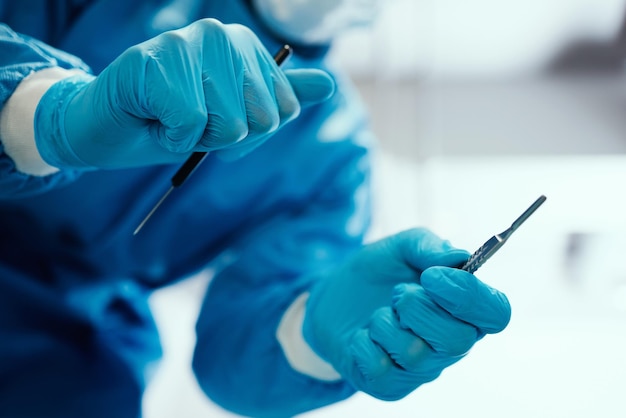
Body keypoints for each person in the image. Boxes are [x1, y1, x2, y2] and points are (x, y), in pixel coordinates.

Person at [0, 1, 511, 417]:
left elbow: (234, 360)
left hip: (60, 346)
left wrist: (308, 333)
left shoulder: (333, 157)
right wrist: (50, 116)